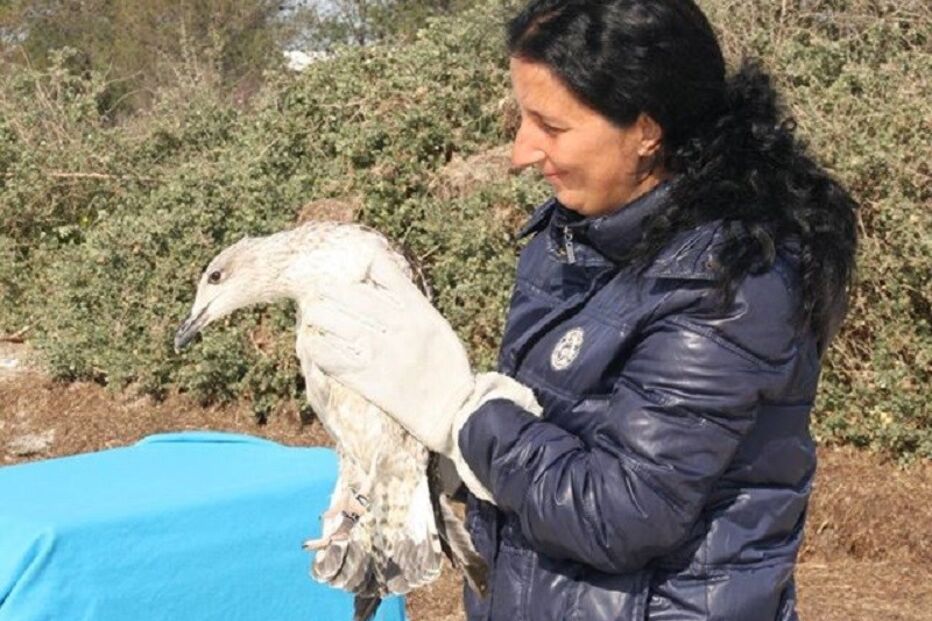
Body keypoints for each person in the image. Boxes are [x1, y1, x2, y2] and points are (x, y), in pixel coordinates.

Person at [302, 0, 859, 619]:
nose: (520, 151)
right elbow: (551, 441)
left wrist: (463, 414)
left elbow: (620, 514)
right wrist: (424, 457)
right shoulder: (572, 237)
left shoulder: (733, 281)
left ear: (647, 130)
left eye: (552, 126)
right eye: (522, 117)